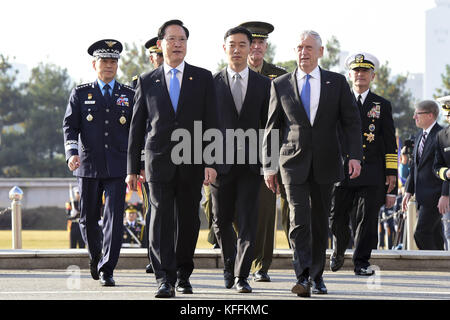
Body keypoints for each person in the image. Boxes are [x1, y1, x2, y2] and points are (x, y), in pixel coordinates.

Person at [262, 30, 362, 297]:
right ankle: (303, 275)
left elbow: (352, 122)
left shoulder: (337, 82)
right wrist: (269, 166)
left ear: (321, 51)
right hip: (291, 162)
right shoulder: (280, 84)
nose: (303, 52)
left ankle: (317, 277)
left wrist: (354, 156)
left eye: (308, 47)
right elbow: (272, 128)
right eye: (299, 47)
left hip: (327, 161)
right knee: (298, 218)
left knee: (319, 221)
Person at [126, 20, 218, 298]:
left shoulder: (202, 78)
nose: (177, 44)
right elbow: (137, 127)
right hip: (158, 161)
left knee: (190, 220)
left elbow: (212, 121)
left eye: (182, 39)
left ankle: (183, 273)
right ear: (161, 44)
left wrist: (211, 161)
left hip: (192, 160)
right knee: (160, 220)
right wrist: (132, 168)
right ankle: (163, 278)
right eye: (172, 39)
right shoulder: (146, 80)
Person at [63, 39, 134, 287]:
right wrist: (72, 153)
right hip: (88, 165)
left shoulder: (129, 95)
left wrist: (136, 165)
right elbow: (70, 127)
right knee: (87, 218)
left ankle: (107, 268)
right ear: (95, 64)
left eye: (113, 61)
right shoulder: (81, 93)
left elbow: (138, 132)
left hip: (117, 167)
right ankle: (96, 256)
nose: (109, 65)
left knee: (115, 219)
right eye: (104, 61)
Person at [210, 26, 270, 293]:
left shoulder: (265, 85)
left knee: (248, 220)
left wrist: (271, 165)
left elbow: (271, 128)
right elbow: (201, 125)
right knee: (220, 221)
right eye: (232, 45)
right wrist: (205, 162)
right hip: (219, 166)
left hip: (251, 165)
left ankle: (242, 276)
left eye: (242, 45)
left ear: (250, 48)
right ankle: (229, 265)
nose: (237, 50)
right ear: (224, 48)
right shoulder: (211, 83)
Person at [329, 53, 398, 276]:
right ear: (350, 75)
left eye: (365, 71)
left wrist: (391, 176)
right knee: (336, 216)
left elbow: (389, 143)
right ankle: (339, 249)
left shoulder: (382, 105)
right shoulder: (337, 101)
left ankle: (361, 262)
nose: (360, 75)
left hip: (371, 172)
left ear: (373, 76)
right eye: (356, 71)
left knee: (367, 220)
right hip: (341, 169)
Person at [239, 21, 289, 283]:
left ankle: (261, 265)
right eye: (252, 43)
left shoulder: (280, 76)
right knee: (236, 210)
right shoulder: (232, 72)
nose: (256, 47)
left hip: (269, 152)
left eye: (260, 43)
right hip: (235, 151)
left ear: (265, 46)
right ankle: (242, 256)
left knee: (266, 212)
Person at [131, 36, 164, 274]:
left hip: (182, 158)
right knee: (153, 209)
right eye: (158, 55)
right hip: (151, 160)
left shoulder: (189, 80)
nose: (162, 59)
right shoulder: (142, 83)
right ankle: (154, 257)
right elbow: (138, 127)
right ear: (152, 58)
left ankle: (171, 256)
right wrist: (140, 162)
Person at [402, 100, 447, 250]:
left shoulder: (441, 135)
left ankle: (433, 267)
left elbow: (446, 168)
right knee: (435, 234)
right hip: (423, 196)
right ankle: (442, 269)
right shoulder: (420, 135)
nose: (414, 117)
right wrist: (409, 190)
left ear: (429, 115)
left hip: (436, 195)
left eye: (418, 114)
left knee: (421, 233)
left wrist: (445, 194)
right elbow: (415, 166)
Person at [432, 95, 450, 250]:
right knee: (448, 234)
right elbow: (437, 166)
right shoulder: (441, 136)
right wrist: (446, 173)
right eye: (448, 115)